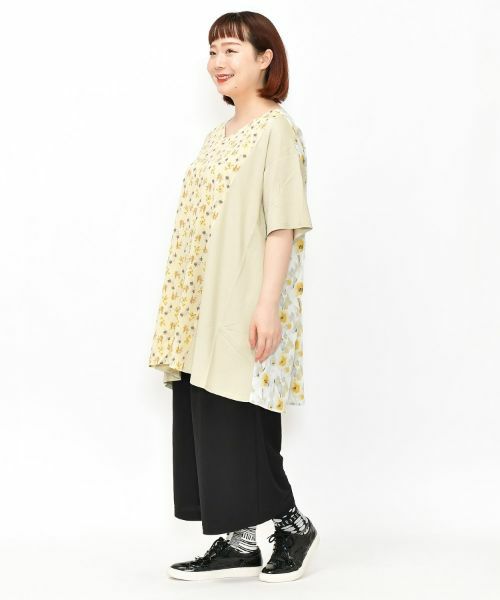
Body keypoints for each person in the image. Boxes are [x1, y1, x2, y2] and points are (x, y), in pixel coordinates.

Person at [148, 11, 319, 583]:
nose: (218, 63)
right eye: (213, 51)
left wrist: (266, 305)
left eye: (231, 51)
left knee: (242, 415)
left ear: (265, 58)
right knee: (208, 414)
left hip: (245, 299)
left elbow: (282, 224)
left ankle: (292, 525)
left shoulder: (276, 130)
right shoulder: (215, 138)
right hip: (200, 303)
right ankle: (240, 540)